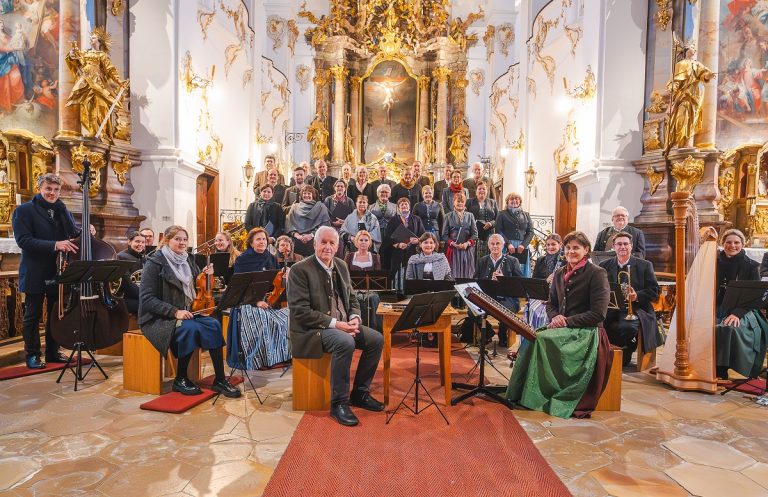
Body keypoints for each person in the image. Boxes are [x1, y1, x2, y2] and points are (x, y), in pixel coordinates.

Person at [506, 231, 613, 419]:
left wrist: (566, 321)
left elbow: (598, 314)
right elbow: (551, 304)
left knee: (541, 339)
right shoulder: (559, 273)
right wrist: (555, 317)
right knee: (531, 337)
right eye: (568, 248)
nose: (571, 251)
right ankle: (522, 392)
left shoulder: (597, 273)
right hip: (563, 327)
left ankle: (542, 393)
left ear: (586, 250)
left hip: (586, 331)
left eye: (576, 248)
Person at [287, 227, 384, 426]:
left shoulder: (341, 264)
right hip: (312, 331)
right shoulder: (300, 270)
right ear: (314, 244)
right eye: (323, 242)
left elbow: (352, 297)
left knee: (376, 339)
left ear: (338, 246)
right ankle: (338, 403)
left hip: (342, 324)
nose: (328, 247)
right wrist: (337, 324)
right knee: (345, 342)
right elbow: (300, 312)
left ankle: (360, 393)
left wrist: (355, 317)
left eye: (332, 243)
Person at [139, 225, 240, 398]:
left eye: (185, 239)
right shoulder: (154, 263)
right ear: (167, 240)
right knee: (190, 328)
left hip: (188, 313)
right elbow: (147, 299)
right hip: (159, 318)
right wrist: (174, 312)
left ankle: (220, 379)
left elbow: (196, 284)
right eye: (177, 239)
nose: (182, 243)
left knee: (213, 324)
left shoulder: (188, 259)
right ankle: (181, 379)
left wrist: (207, 276)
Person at [12, 173, 80, 368]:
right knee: (32, 315)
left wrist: (86, 230)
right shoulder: (24, 211)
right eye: (48, 189)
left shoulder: (60, 209)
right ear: (39, 188)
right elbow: (23, 241)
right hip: (34, 270)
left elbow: (72, 233)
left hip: (58, 270)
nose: (52, 193)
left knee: (54, 313)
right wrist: (55, 245)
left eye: (56, 190)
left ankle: (52, 352)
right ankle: (32, 355)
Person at [228, 228, 291, 370]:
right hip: (246, 301)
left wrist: (283, 278)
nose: (262, 242)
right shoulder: (243, 259)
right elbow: (240, 286)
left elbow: (274, 284)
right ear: (251, 242)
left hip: (267, 300)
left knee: (287, 316)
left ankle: (278, 356)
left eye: (264, 239)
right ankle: (260, 358)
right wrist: (255, 301)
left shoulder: (271, 258)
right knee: (261, 317)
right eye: (258, 239)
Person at [599, 232, 662, 366]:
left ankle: (625, 350)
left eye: (626, 244)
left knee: (627, 328)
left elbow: (655, 291)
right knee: (599, 325)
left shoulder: (645, 265)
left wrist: (637, 295)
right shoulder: (604, 265)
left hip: (636, 309)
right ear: (614, 247)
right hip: (612, 308)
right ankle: (611, 353)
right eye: (619, 244)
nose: (623, 247)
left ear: (631, 246)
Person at [714, 229, 768, 380]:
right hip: (716, 306)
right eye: (728, 242)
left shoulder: (751, 266)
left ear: (743, 244)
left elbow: (755, 297)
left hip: (742, 308)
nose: (732, 245)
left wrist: (736, 313)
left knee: (726, 328)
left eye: (736, 242)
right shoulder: (713, 262)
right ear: (722, 243)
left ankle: (721, 370)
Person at [474, 234, 523, 348]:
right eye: (492, 244)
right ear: (488, 245)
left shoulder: (513, 261)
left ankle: (502, 334)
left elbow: (519, 283)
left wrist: (503, 279)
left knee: (506, 310)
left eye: (498, 243)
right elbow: (476, 281)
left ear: (503, 245)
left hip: (507, 297)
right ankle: (488, 332)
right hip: (487, 296)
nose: (495, 246)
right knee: (472, 311)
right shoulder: (482, 261)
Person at [382, 197, 425, 293]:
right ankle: (398, 293)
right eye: (402, 205)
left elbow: (423, 235)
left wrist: (417, 240)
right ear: (398, 208)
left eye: (406, 204)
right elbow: (388, 238)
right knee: (398, 276)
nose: (404, 206)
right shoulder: (393, 220)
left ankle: (411, 294)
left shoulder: (416, 219)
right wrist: (397, 245)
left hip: (412, 252)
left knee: (412, 274)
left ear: (409, 206)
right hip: (398, 253)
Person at [344, 230, 382, 331]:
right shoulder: (350, 256)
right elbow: (345, 275)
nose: (363, 242)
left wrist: (368, 288)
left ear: (369, 242)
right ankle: (354, 329)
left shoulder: (375, 257)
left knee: (373, 298)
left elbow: (377, 278)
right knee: (356, 298)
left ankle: (375, 330)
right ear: (356, 242)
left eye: (366, 240)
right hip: (353, 290)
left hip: (371, 290)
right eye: (361, 240)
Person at [528, 233, 564, 329]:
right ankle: (533, 336)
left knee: (546, 314)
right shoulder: (540, 260)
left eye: (553, 244)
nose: (550, 247)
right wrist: (546, 280)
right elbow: (534, 281)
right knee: (532, 309)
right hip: (541, 295)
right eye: (548, 245)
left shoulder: (565, 261)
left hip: (558, 297)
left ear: (560, 245)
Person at [286, 184, 331, 256]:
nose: (306, 195)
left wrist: (311, 235)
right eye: (304, 193)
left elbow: (325, 225)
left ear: (313, 195)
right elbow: (289, 224)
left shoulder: (321, 207)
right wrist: (298, 236)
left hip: (315, 239)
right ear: (301, 195)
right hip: (297, 239)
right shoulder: (294, 207)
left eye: (309, 193)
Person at [496, 192, 534, 276]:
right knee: (507, 269)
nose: (514, 201)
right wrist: (508, 244)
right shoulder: (502, 214)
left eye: (516, 199)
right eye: (512, 199)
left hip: (522, 247)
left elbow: (530, 231)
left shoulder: (526, 215)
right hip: (507, 246)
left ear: (520, 201)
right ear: (507, 202)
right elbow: (499, 230)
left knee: (522, 270)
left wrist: (523, 245)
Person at [442, 193, 478, 279]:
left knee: (467, 274)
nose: (460, 203)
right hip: (454, 249)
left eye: (462, 201)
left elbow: (475, 234)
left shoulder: (470, 216)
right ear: (453, 202)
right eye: (458, 201)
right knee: (454, 274)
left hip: (467, 249)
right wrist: (454, 244)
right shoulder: (448, 216)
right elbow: (444, 235)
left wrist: (467, 243)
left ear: (465, 203)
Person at [116, 230, 147, 316]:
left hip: (141, 296)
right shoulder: (121, 257)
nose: (140, 244)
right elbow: (127, 283)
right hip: (127, 298)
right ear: (129, 242)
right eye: (137, 241)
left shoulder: (144, 258)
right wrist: (145, 297)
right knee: (152, 306)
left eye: (143, 242)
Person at [466, 181, 498, 261]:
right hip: (474, 232)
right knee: (474, 255)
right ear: (476, 191)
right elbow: (465, 216)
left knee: (488, 254)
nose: (482, 190)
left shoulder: (492, 202)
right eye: (479, 189)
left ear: (487, 191)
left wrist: (491, 223)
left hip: (489, 233)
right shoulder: (469, 202)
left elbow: (498, 218)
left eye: (484, 189)